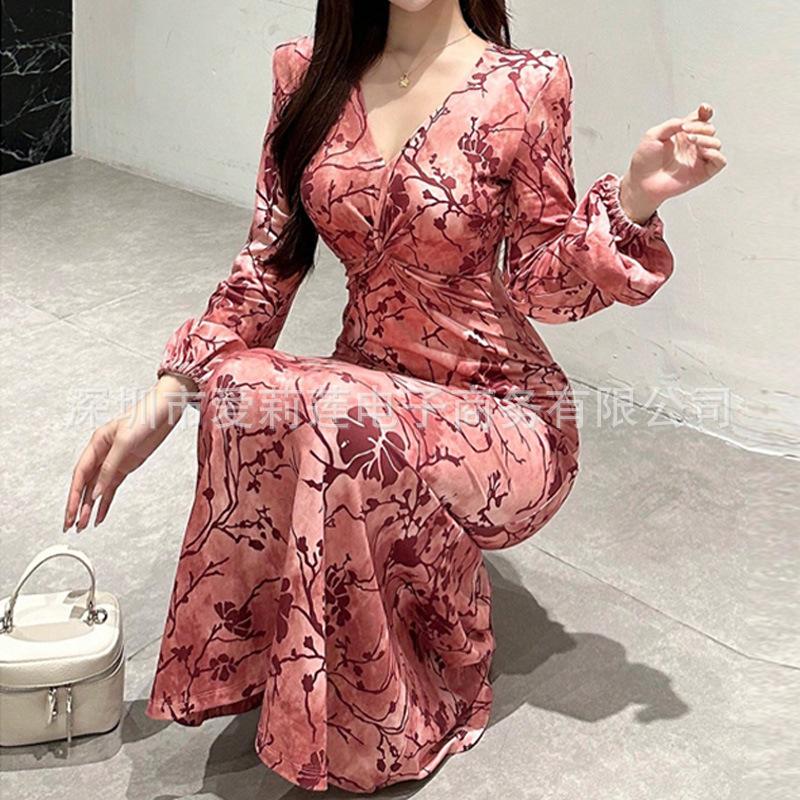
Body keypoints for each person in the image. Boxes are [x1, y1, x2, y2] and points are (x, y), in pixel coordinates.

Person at [63, 0, 725, 792]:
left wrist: (637, 202)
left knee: (343, 419)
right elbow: (268, 262)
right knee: (241, 386)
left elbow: (540, 284)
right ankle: (284, 657)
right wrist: (165, 399)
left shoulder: (527, 82)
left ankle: (394, 702)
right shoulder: (305, 73)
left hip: (502, 412)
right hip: (368, 388)